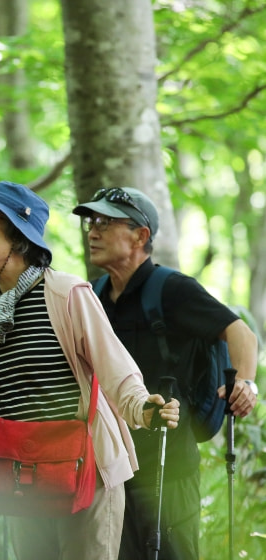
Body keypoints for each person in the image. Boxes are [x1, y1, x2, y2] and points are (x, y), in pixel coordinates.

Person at [0, 181, 181, 560]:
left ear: (19, 234)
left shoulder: (66, 293)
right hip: (19, 474)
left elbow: (114, 366)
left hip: (83, 470)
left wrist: (142, 406)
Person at [72, 187, 259, 560]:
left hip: (169, 466)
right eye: (92, 222)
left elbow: (241, 333)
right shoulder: (91, 295)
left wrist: (245, 383)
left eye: (106, 223)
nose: (92, 231)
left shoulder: (172, 289)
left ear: (141, 235)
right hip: (110, 468)